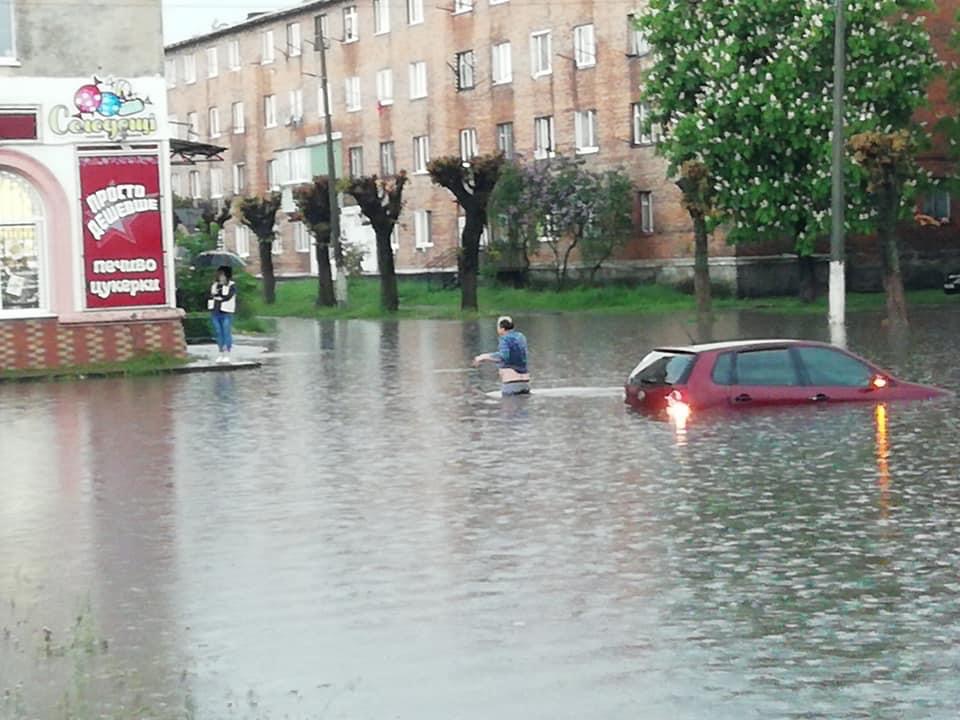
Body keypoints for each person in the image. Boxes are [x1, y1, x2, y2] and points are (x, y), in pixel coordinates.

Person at [473, 316, 530, 396]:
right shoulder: (521, 337)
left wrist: (483, 357)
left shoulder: (504, 339)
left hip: (511, 383)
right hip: (525, 381)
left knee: (509, 405)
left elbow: (503, 356)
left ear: (502, 328)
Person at [208, 265, 237, 363]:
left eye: (223, 275)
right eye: (220, 275)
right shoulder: (215, 285)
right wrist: (216, 292)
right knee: (218, 332)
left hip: (226, 311)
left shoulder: (231, 285)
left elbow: (228, 296)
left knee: (226, 331)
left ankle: (227, 352)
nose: (221, 277)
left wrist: (220, 293)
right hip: (215, 311)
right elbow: (211, 295)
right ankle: (220, 352)